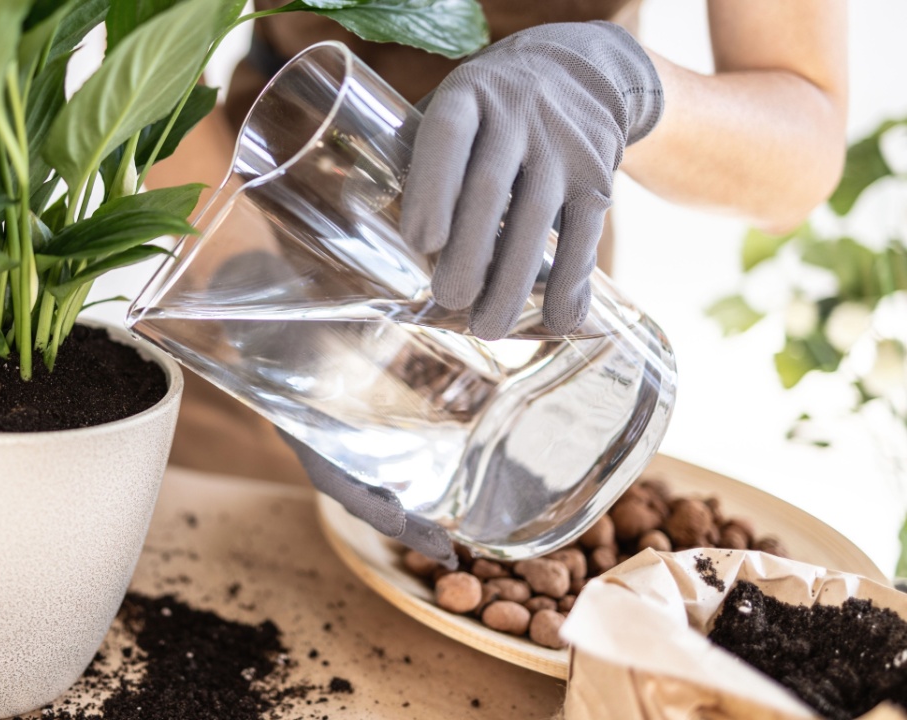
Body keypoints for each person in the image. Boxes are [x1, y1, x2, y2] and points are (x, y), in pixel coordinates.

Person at [146, 0, 849, 560]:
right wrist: (264, 311)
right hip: (267, 226)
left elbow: (802, 143)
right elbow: (131, 66)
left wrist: (620, 83)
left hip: (526, 292)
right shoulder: (263, 290)